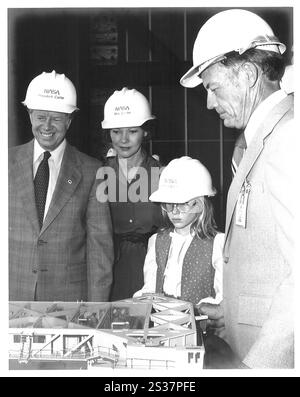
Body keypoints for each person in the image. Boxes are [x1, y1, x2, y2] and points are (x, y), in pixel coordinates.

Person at [180, 9, 295, 368]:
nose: (210, 103)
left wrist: (256, 367)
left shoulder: (289, 138)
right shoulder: (257, 141)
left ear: (247, 74)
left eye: (213, 87)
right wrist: (232, 310)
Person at [9, 70, 114, 302]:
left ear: (69, 119)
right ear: (29, 114)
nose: (47, 126)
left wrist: (94, 312)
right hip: (11, 298)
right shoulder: (5, 164)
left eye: (56, 118)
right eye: (40, 116)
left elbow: (100, 251)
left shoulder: (92, 171)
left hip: (68, 304)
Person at [99, 87, 163, 301]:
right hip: (109, 268)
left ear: (146, 131)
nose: (123, 140)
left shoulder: (162, 174)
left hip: (152, 268)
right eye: (116, 131)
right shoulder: (97, 173)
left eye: (132, 131)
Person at [134, 156, 224, 307]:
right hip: (161, 323)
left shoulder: (217, 243)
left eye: (183, 204)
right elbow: (149, 287)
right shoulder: (156, 241)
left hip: (200, 325)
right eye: (169, 204)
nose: (175, 211)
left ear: (201, 204)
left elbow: (222, 296)